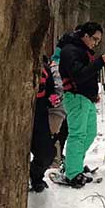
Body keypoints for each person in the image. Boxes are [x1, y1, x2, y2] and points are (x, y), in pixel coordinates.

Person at [56, 22, 105, 187]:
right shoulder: (70, 51)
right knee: (78, 134)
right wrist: (99, 62)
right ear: (85, 35)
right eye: (94, 39)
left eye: (98, 41)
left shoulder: (83, 51)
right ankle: (73, 173)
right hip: (75, 97)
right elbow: (78, 75)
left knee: (90, 133)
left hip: (86, 98)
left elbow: (87, 75)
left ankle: (74, 165)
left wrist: (93, 94)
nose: (95, 43)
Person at [30, 56, 65, 192]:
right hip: (12, 113)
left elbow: (51, 90)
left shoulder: (45, 69)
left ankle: (35, 176)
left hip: (39, 114)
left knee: (47, 153)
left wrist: (52, 99)